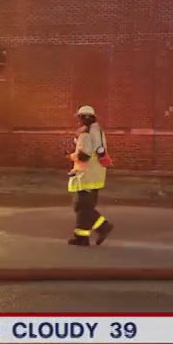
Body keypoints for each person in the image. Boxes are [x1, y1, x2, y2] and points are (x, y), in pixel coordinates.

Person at [67, 105, 114, 246]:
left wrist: (71, 155)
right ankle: (82, 237)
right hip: (95, 175)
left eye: (79, 118)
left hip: (86, 176)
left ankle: (103, 226)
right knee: (83, 207)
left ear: (82, 118)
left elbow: (84, 155)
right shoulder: (97, 131)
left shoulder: (86, 133)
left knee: (82, 206)